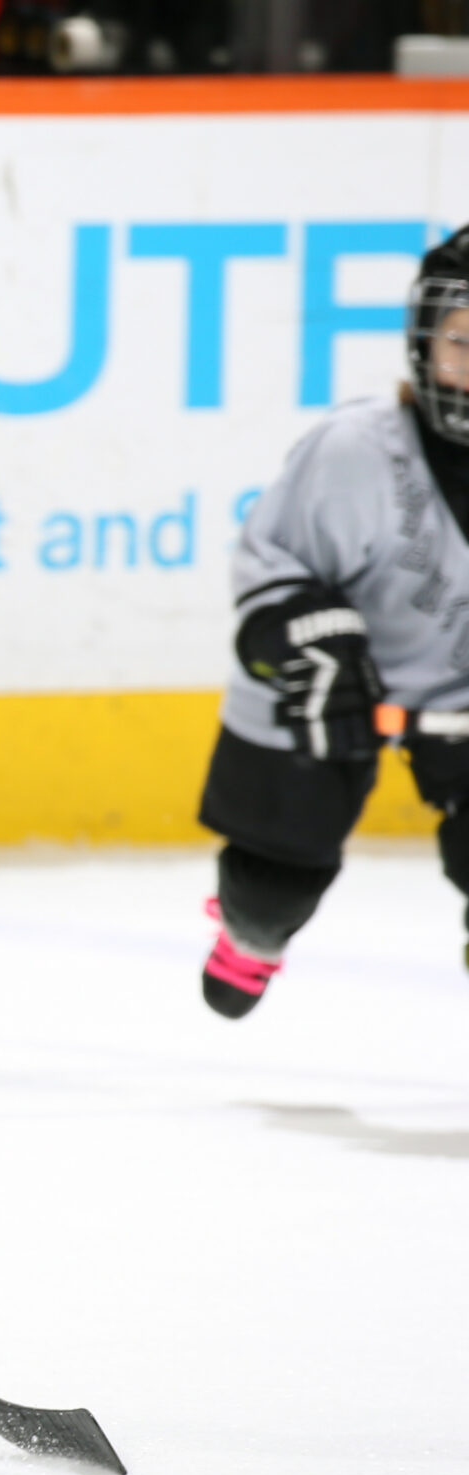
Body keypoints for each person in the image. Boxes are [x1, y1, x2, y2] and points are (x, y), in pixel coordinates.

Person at [196, 224, 469, 1017]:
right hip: (335, 689)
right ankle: (250, 931)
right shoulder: (356, 450)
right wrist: (311, 640)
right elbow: (271, 576)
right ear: (423, 341)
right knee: (271, 887)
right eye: (461, 342)